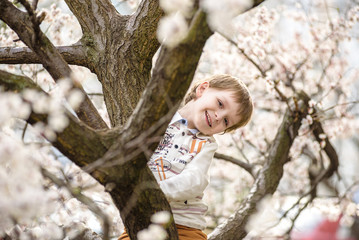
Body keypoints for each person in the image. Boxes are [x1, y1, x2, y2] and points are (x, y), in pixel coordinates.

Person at [119, 74, 253, 240]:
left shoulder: (205, 143)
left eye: (226, 121)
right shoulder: (158, 120)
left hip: (183, 226)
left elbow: (195, 180)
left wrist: (155, 192)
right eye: (220, 104)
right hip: (141, 219)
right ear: (202, 89)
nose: (219, 116)